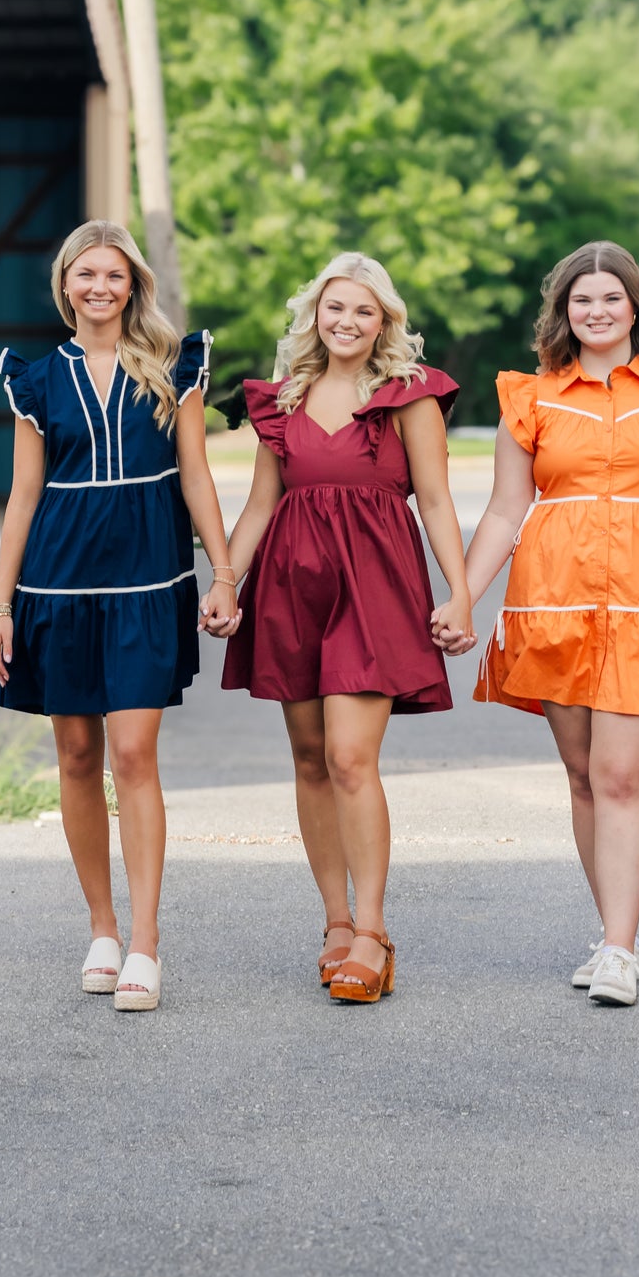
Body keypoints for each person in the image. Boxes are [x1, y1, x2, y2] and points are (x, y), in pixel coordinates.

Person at [464, 242, 639, 1008]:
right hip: (552, 600)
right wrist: (461, 592)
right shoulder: (531, 399)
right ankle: (612, 931)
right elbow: (502, 508)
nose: (595, 310)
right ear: (563, 312)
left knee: (622, 776)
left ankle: (620, 948)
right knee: (584, 778)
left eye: (609, 298)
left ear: (635, 308)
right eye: (580, 299)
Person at [0, 221, 239, 1013]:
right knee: (72, 753)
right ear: (65, 283)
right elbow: (24, 494)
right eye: (85, 274)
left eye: (114, 275)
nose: (99, 287)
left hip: (145, 579)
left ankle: (145, 941)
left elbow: (195, 475)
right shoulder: (35, 378)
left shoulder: (174, 366)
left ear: (134, 285)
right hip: (55, 585)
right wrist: (1, 604)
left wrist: (223, 571)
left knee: (133, 753)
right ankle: (100, 926)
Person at [220, 253, 474, 1004]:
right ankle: (333, 921)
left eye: (364, 310)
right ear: (314, 315)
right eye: (335, 308)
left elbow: (433, 499)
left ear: (384, 321)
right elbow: (261, 505)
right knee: (307, 757)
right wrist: (225, 580)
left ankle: (371, 929)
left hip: (374, 587)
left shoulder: (408, 396)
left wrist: (459, 592)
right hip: (291, 584)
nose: (347, 322)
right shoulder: (282, 398)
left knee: (350, 756)